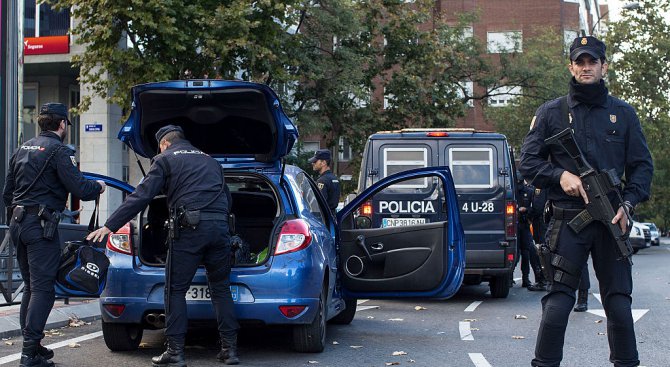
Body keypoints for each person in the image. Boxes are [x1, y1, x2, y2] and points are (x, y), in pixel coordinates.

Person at [520, 35, 653, 367]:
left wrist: (629, 205)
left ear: (604, 66)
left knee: (620, 306)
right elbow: (528, 162)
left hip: (611, 220)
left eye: (592, 61)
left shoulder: (623, 114)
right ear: (571, 66)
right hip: (568, 221)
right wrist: (560, 177)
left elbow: (641, 167)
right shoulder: (551, 113)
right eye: (580, 62)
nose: (586, 67)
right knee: (558, 304)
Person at [87, 125, 240, 366]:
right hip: (220, 230)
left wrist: (110, 226)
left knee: (175, 290)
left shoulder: (164, 159)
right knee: (221, 289)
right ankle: (229, 351)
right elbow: (228, 199)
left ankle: (175, 352)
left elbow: (141, 196)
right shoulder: (211, 161)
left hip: (189, 231)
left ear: (165, 143)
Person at [3, 102, 106, 367]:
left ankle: (33, 346)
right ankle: (28, 354)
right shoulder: (60, 151)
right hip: (40, 226)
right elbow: (80, 188)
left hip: (18, 224)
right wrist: (99, 187)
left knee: (31, 287)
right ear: (61, 125)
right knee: (44, 290)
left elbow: (7, 194)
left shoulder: (21, 149)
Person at [517, 179, 545, 290]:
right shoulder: (530, 189)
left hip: (528, 224)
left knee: (530, 251)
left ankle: (538, 279)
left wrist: (527, 211)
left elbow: (537, 208)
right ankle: (540, 280)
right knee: (525, 252)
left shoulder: (530, 190)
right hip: (516, 224)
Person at [308, 149, 341, 214]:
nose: (313, 163)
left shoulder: (322, 180)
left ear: (323, 163)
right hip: (332, 216)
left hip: (324, 218)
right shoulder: (334, 178)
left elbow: (318, 204)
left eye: (315, 161)